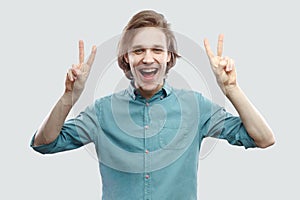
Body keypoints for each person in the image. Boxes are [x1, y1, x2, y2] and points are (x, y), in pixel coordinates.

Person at [30, 10, 275, 200]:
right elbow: (44, 143)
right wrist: (69, 97)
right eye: (138, 51)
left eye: (157, 49)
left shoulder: (195, 106)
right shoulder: (102, 112)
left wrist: (231, 89)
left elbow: (262, 138)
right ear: (127, 57)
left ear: (169, 56)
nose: (148, 58)